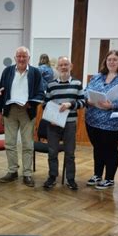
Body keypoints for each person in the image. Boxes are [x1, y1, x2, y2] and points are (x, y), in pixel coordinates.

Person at [85, 49, 118, 189]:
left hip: (113, 121)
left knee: (110, 149)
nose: (112, 62)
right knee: (98, 148)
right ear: (105, 61)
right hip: (92, 119)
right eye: (109, 59)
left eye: (115, 59)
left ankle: (109, 178)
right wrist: (88, 99)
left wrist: (112, 105)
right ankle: (97, 174)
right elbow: (86, 90)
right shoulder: (97, 76)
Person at [0, 46, 44, 187]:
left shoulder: (35, 72)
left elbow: (41, 93)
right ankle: (12, 171)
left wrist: (30, 104)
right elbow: (1, 91)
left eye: (24, 56)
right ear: (15, 57)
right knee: (10, 143)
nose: (21, 59)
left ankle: (27, 174)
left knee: (27, 144)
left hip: (27, 112)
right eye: (19, 56)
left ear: (29, 58)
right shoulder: (7, 71)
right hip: (10, 111)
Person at [43, 56, 86, 191]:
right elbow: (45, 104)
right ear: (57, 67)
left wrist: (70, 104)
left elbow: (83, 102)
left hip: (70, 123)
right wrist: (51, 117)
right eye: (61, 65)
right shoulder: (51, 85)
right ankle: (52, 177)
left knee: (70, 153)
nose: (63, 67)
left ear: (70, 66)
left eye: (66, 64)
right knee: (52, 152)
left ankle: (71, 179)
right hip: (53, 124)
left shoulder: (77, 84)